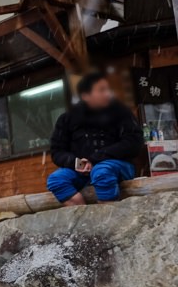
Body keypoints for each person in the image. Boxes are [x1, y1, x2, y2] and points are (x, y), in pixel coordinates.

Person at [47, 72, 144, 206]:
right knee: (56, 180)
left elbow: (134, 143)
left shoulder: (121, 113)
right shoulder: (67, 119)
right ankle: (84, 219)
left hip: (118, 166)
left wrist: (96, 159)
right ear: (85, 95)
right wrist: (76, 163)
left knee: (102, 172)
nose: (108, 93)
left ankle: (109, 217)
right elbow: (57, 151)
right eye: (101, 90)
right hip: (80, 170)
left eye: (107, 89)